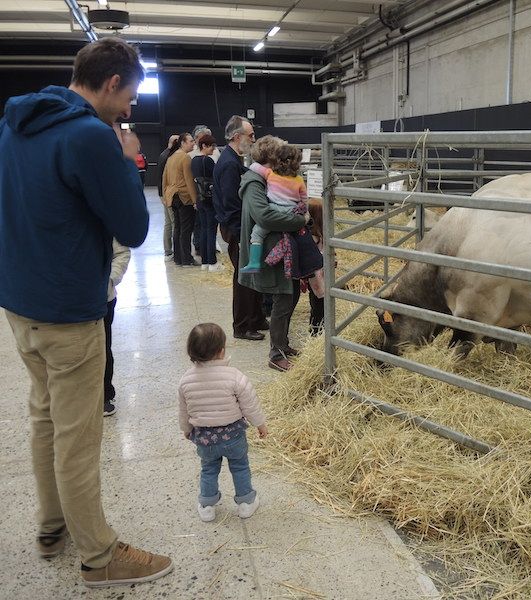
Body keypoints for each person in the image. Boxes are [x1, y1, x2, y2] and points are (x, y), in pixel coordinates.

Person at [0, 37, 172, 587]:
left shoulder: (15, 124)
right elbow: (135, 228)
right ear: (112, 83)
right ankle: (99, 555)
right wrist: (128, 161)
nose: (129, 109)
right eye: (130, 97)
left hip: (20, 303)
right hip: (69, 310)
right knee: (77, 436)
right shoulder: (90, 135)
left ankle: (52, 525)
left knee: (44, 418)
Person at [178, 323, 267, 522]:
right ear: (221, 351)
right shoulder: (234, 376)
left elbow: (184, 409)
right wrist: (260, 424)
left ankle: (206, 505)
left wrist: (186, 429)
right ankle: (246, 502)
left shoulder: (186, 380)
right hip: (233, 435)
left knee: (208, 469)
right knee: (240, 466)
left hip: (205, 438)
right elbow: (249, 404)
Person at [239, 136, 310, 372]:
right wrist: (299, 220)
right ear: (272, 156)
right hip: (271, 249)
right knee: (283, 298)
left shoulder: (271, 178)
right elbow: (264, 216)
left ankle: (283, 344)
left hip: (283, 247)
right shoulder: (254, 182)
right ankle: (276, 354)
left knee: (291, 295)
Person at [213, 115, 267, 341]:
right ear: (237, 136)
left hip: (241, 227)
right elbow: (231, 204)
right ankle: (242, 326)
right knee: (244, 277)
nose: (253, 139)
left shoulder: (234, 160)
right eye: (250, 135)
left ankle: (256, 317)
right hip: (238, 228)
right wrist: (242, 234)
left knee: (252, 273)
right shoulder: (229, 164)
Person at [103, 239, 131, 417]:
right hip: (62, 302)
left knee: (102, 347)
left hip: (102, 299)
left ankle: (104, 394)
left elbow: (121, 252)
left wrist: (110, 279)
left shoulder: (104, 224)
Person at [163, 132, 198, 266]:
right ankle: (187, 258)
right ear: (183, 143)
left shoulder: (171, 157)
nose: (193, 143)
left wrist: (166, 196)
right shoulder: (185, 158)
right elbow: (189, 181)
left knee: (177, 227)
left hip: (172, 196)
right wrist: (194, 200)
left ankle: (178, 258)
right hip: (183, 197)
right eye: (191, 141)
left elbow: (164, 178)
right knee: (186, 229)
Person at [191, 133, 223, 272]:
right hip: (210, 199)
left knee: (203, 229)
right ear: (204, 145)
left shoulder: (194, 161)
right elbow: (216, 177)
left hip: (200, 199)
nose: (213, 149)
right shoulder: (208, 161)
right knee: (211, 231)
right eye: (211, 146)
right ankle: (212, 262)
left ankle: (204, 261)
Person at [157, 133, 179, 259]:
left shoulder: (163, 154)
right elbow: (162, 177)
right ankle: (176, 251)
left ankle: (168, 250)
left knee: (168, 223)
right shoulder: (169, 156)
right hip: (169, 194)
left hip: (165, 193)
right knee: (174, 222)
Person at [306, 199, 325, 336]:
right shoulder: (314, 236)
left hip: (319, 274)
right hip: (316, 275)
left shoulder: (317, 234)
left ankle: (317, 327)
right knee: (318, 303)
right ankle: (315, 330)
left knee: (318, 302)